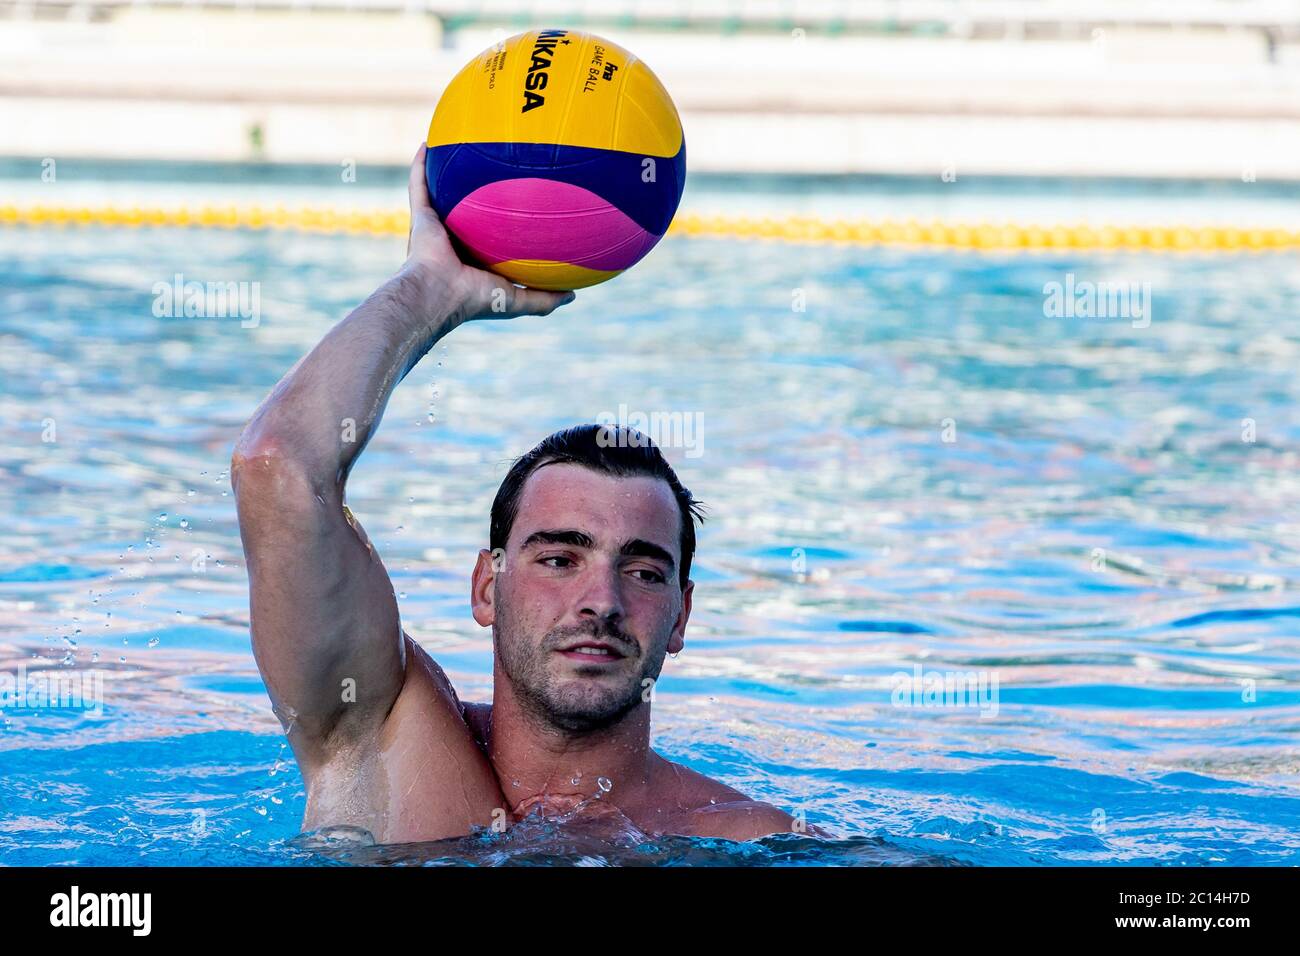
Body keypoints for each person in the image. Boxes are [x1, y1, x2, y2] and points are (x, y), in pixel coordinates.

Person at [230, 144, 803, 845]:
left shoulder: (751, 839)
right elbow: (278, 468)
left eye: (644, 571)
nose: (602, 601)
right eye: (560, 559)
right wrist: (430, 290)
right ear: (486, 586)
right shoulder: (379, 736)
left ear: (682, 616)